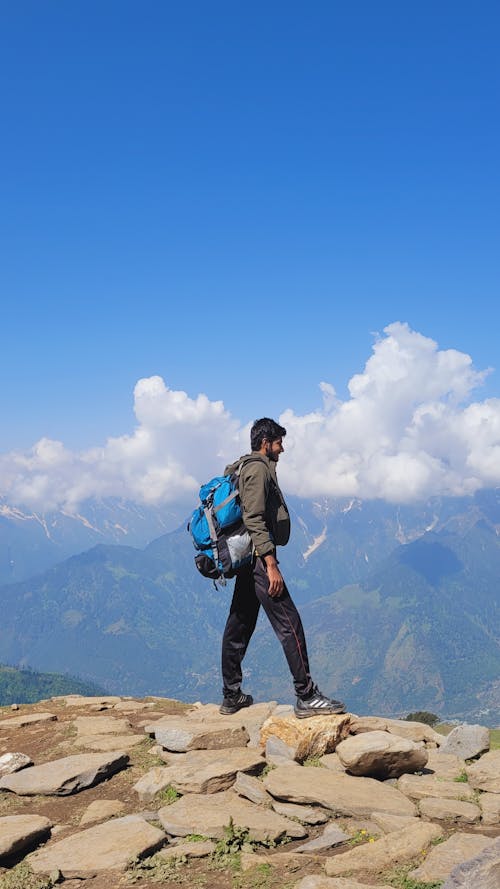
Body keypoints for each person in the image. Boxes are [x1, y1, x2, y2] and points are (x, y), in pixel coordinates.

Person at [220, 417, 346, 718]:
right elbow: (254, 518)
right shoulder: (257, 469)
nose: (282, 449)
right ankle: (307, 696)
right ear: (266, 443)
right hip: (259, 561)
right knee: (290, 624)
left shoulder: (243, 466)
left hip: (251, 560)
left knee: (239, 624)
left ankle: (231, 696)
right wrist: (271, 564)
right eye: (279, 443)